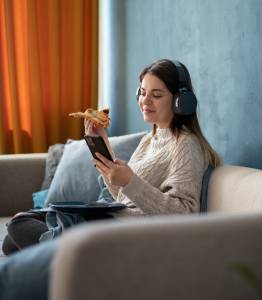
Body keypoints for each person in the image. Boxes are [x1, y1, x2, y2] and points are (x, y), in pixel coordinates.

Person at [1, 58, 220, 260]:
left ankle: (71, 261)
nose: (145, 101)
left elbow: (184, 214)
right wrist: (107, 156)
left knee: (19, 227)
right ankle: (63, 262)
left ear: (180, 101)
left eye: (156, 95)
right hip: (111, 219)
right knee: (15, 236)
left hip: (121, 234)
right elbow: (124, 197)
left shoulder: (186, 145)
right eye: (142, 92)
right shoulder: (149, 139)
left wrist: (130, 181)